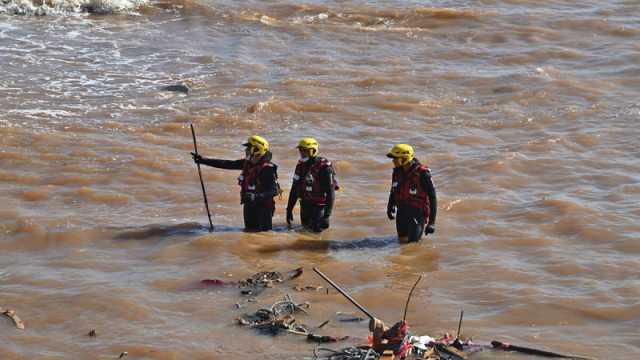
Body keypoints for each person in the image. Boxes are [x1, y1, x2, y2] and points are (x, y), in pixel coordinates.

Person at [192, 135, 279, 232]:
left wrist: (255, 197)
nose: (246, 150)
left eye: (249, 148)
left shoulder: (267, 169)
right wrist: (203, 160)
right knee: (248, 234)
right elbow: (227, 164)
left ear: (256, 150)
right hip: (249, 205)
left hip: (263, 208)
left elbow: (274, 191)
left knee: (263, 236)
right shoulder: (248, 163)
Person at [386, 144, 437, 243]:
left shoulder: (423, 174)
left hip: (417, 214)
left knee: (413, 245)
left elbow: (433, 198)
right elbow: (393, 190)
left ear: (405, 159)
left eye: (396, 158)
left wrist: (432, 223)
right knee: (402, 244)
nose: (393, 161)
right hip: (401, 213)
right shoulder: (397, 172)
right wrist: (390, 206)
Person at [286, 138, 338, 232]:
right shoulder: (300, 165)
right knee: (304, 232)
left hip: (319, 207)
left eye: (304, 150)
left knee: (316, 236)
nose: (301, 153)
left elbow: (330, 193)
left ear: (313, 151)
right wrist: (289, 209)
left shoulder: (324, 168)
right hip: (305, 205)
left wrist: (326, 216)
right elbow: (295, 188)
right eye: (300, 150)